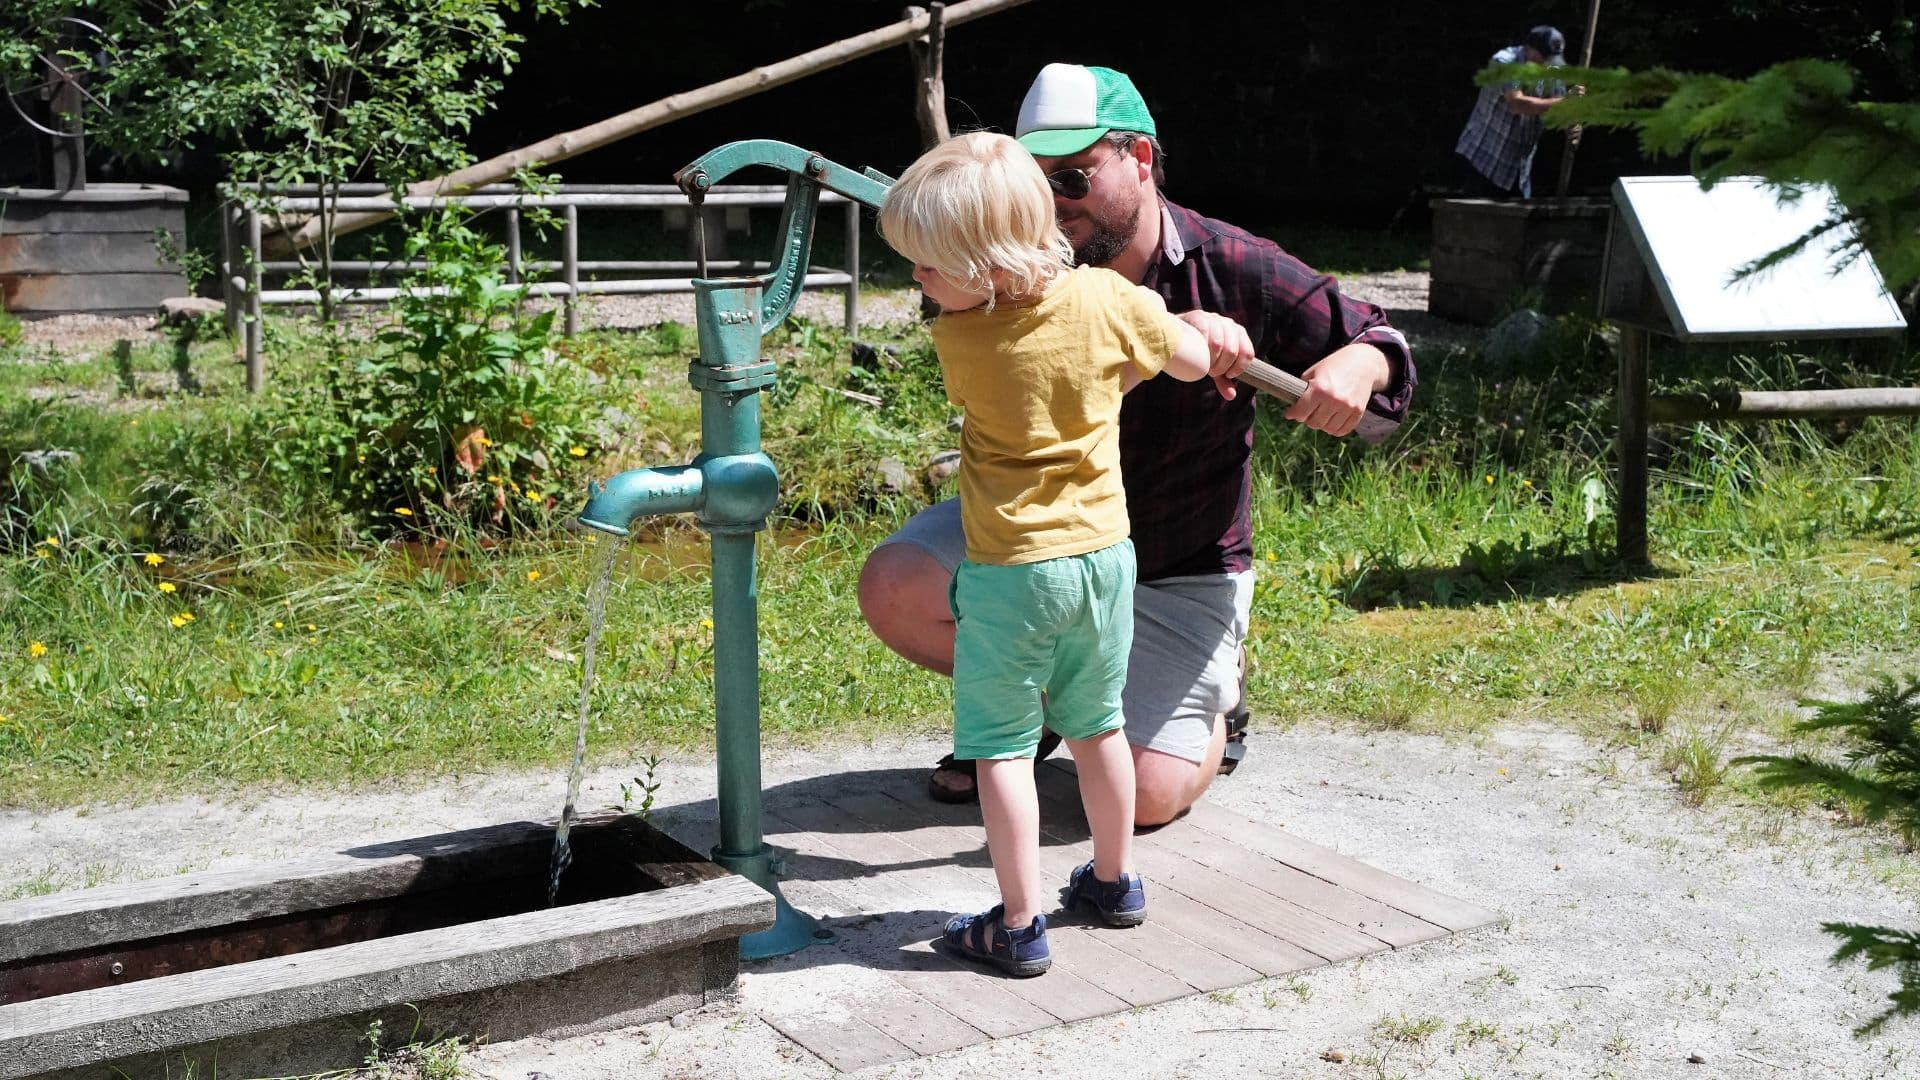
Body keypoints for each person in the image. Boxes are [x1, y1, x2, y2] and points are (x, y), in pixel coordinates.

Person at [857, 63, 1416, 826]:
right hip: (1032, 534)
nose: (1051, 207)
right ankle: (1038, 710)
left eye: (1073, 177)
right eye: (1034, 184)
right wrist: (1168, 330)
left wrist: (1362, 360)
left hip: (1174, 564)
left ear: (1140, 159)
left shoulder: (1233, 265)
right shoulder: (1001, 273)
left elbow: (1379, 340)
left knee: (1149, 798)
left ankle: (1215, 702)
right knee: (894, 586)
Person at [875, 131, 1214, 976]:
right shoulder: (1108, 297)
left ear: (986, 266)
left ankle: (1019, 923)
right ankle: (1114, 880)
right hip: (1105, 560)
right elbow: (1192, 360)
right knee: (1098, 725)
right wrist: (1177, 339)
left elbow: (1024, 381)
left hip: (1011, 575)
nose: (916, 283)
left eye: (925, 267)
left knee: (1001, 746)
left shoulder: (962, 343)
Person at [1453, 25, 1571, 199]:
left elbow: (1557, 105)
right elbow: (1517, 103)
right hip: (1485, 163)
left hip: (1519, 171)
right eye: (1544, 58)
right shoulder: (1507, 63)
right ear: (1529, 50)